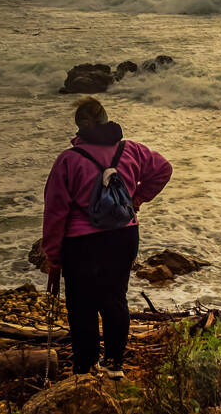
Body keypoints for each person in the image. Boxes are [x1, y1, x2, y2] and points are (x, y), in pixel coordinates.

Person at [42, 97, 172, 378]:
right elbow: (164, 169)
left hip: (82, 242)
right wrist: (137, 199)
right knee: (115, 299)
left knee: (81, 305)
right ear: (106, 119)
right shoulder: (132, 150)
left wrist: (53, 255)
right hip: (124, 235)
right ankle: (115, 364)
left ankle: (86, 367)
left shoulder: (68, 160)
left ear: (80, 127)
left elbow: (55, 211)